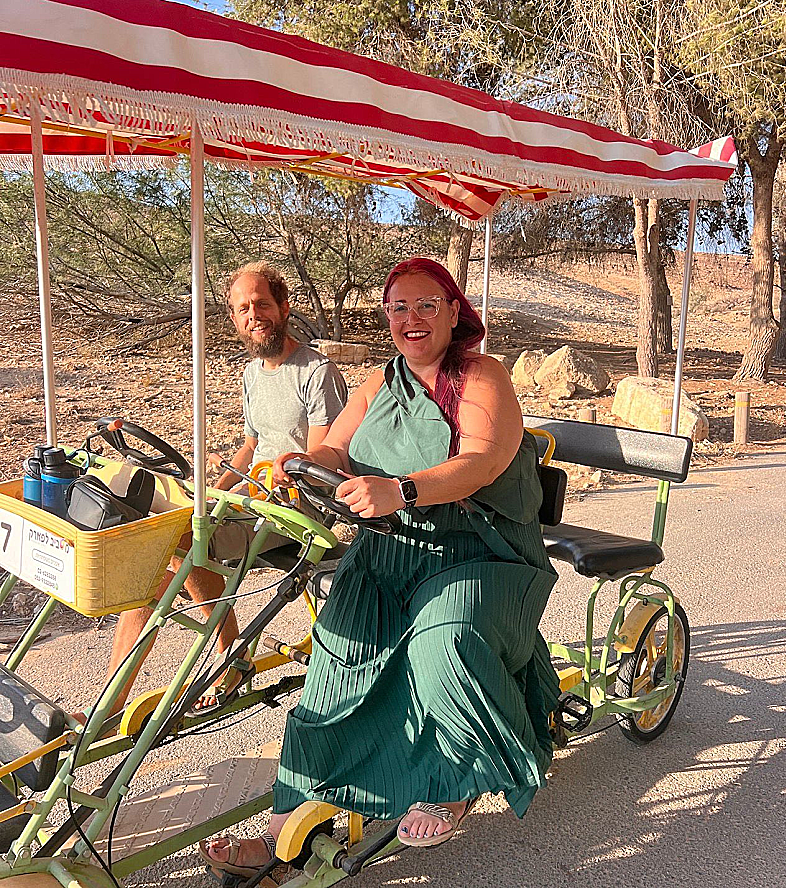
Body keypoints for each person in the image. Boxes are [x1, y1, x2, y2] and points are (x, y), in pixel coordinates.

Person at [200, 256, 560, 877]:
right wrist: (300, 466)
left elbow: (483, 460)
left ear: (453, 313)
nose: (410, 319)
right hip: (389, 549)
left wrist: (404, 489)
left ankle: (456, 782)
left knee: (444, 642)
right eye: (399, 308)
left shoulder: (483, 377)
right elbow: (333, 446)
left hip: (479, 553)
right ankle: (289, 824)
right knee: (337, 657)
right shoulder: (376, 383)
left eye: (426, 306)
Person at [102, 261, 348, 716]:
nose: (254, 315)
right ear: (234, 319)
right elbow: (251, 445)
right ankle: (112, 702)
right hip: (251, 499)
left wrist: (268, 483)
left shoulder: (317, 372)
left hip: (299, 508)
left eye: (262, 304)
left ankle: (230, 657)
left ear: (284, 307)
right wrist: (211, 490)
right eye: (243, 308)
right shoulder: (253, 373)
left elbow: (321, 460)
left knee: (181, 539)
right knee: (161, 551)